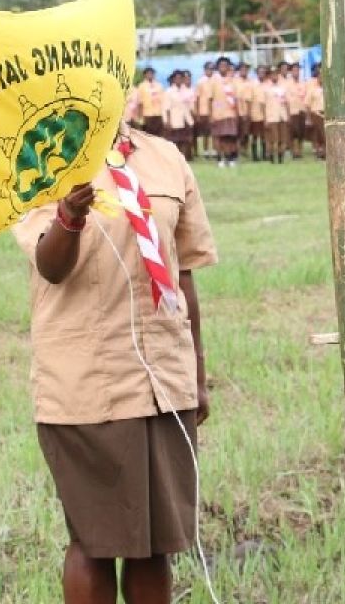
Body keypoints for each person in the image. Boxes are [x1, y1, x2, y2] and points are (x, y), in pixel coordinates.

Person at [12, 121, 217, 604]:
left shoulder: (165, 157)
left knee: (155, 546)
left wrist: (197, 376)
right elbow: (51, 267)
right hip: (88, 385)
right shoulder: (43, 157)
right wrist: (67, 216)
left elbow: (180, 271)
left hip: (162, 382)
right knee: (95, 541)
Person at [210, 57, 240, 168]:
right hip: (218, 114)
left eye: (225, 65)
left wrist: (237, 113)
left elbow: (236, 98)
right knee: (219, 138)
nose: (223, 68)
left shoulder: (232, 81)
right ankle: (220, 158)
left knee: (230, 137)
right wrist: (211, 115)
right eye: (221, 65)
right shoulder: (213, 80)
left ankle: (231, 158)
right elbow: (210, 99)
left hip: (230, 113)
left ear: (228, 67)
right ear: (218, 67)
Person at [164, 70, 195, 160]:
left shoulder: (185, 90)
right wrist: (168, 121)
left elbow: (189, 104)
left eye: (180, 78)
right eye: (176, 78)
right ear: (173, 79)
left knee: (185, 139)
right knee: (175, 140)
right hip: (174, 118)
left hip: (186, 118)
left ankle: (184, 157)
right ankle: (174, 158)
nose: (178, 80)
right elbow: (167, 108)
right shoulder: (169, 91)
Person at [263, 66, 290, 164]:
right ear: (270, 76)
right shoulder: (265, 88)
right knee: (273, 139)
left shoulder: (282, 87)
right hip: (271, 117)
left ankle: (280, 158)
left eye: (276, 74)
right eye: (272, 74)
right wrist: (265, 118)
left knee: (282, 139)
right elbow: (263, 105)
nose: (274, 76)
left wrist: (288, 115)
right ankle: (271, 157)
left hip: (282, 116)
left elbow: (287, 102)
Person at [282, 62, 307, 160]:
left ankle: (300, 150)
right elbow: (286, 100)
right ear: (291, 72)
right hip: (292, 111)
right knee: (294, 132)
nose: (296, 72)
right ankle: (294, 152)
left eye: (298, 70)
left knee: (301, 132)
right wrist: (287, 114)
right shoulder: (287, 84)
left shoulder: (303, 83)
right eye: (294, 70)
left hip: (302, 110)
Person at [136, 67, 165, 138]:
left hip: (158, 114)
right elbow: (140, 103)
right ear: (145, 75)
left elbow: (163, 101)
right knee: (149, 135)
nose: (150, 75)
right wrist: (140, 118)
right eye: (148, 74)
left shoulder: (159, 86)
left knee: (159, 135)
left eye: (152, 73)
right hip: (147, 114)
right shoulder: (141, 86)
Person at [194, 62, 215, 159]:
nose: (210, 71)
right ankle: (206, 151)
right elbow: (197, 98)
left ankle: (214, 150)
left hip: (216, 111)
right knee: (205, 132)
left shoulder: (216, 80)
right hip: (204, 111)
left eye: (212, 69)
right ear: (205, 70)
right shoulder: (200, 82)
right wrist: (197, 113)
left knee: (214, 132)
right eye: (208, 69)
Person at [306, 65, 326, 160]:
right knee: (317, 134)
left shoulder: (329, 88)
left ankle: (326, 152)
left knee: (326, 134)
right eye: (320, 76)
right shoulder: (312, 89)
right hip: (316, 114)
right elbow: (307, 104)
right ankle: (319, 152)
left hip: (326, 114)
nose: (322, 78)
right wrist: (308, 118)